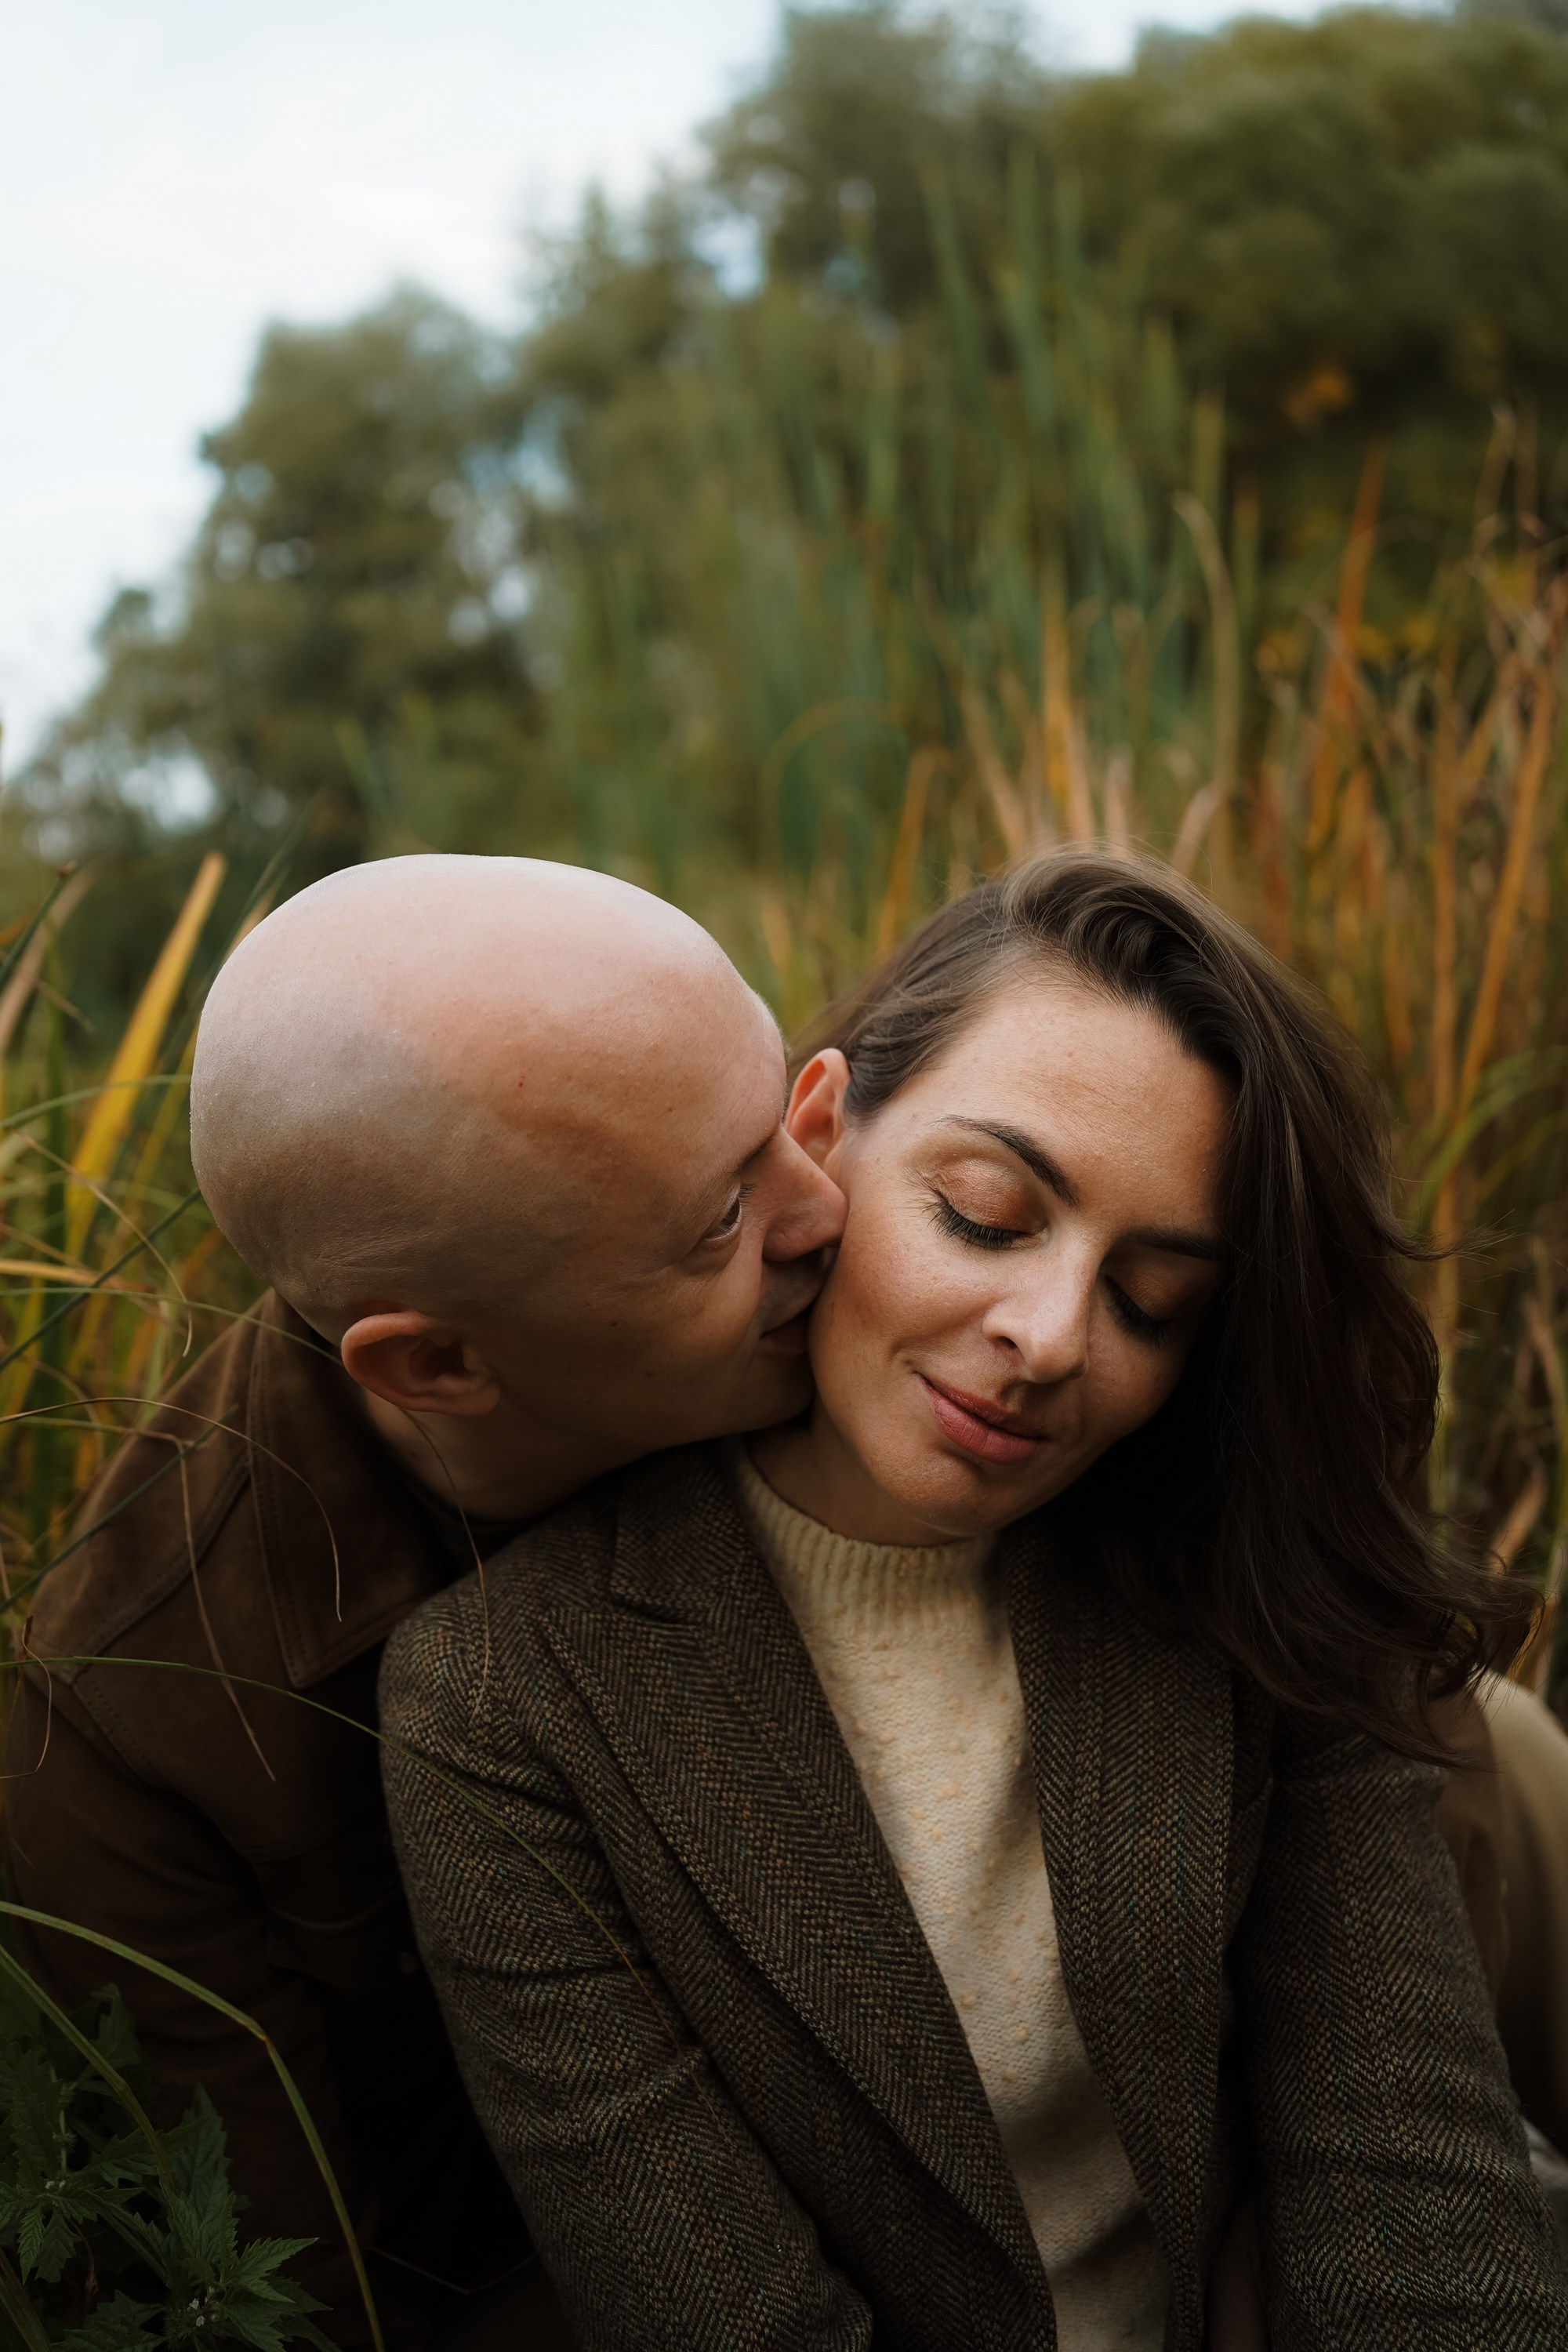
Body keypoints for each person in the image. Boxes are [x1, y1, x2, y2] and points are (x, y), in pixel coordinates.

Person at [379, 850, 1568, 2350]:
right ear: (821, 1133)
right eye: (990, 1213)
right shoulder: (501, 1698)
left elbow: (1408, 2188)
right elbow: (719, 2319)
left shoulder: (1246, 1587)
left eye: (1154, 1302)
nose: (1055, 1336)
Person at [3, 855, 843, 2352]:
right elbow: (293, 2302)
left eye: (788, 1110)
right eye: (725, 1220)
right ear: (437, 1368)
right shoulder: (136, 1730)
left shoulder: (850, 1263)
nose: (835, 1208)